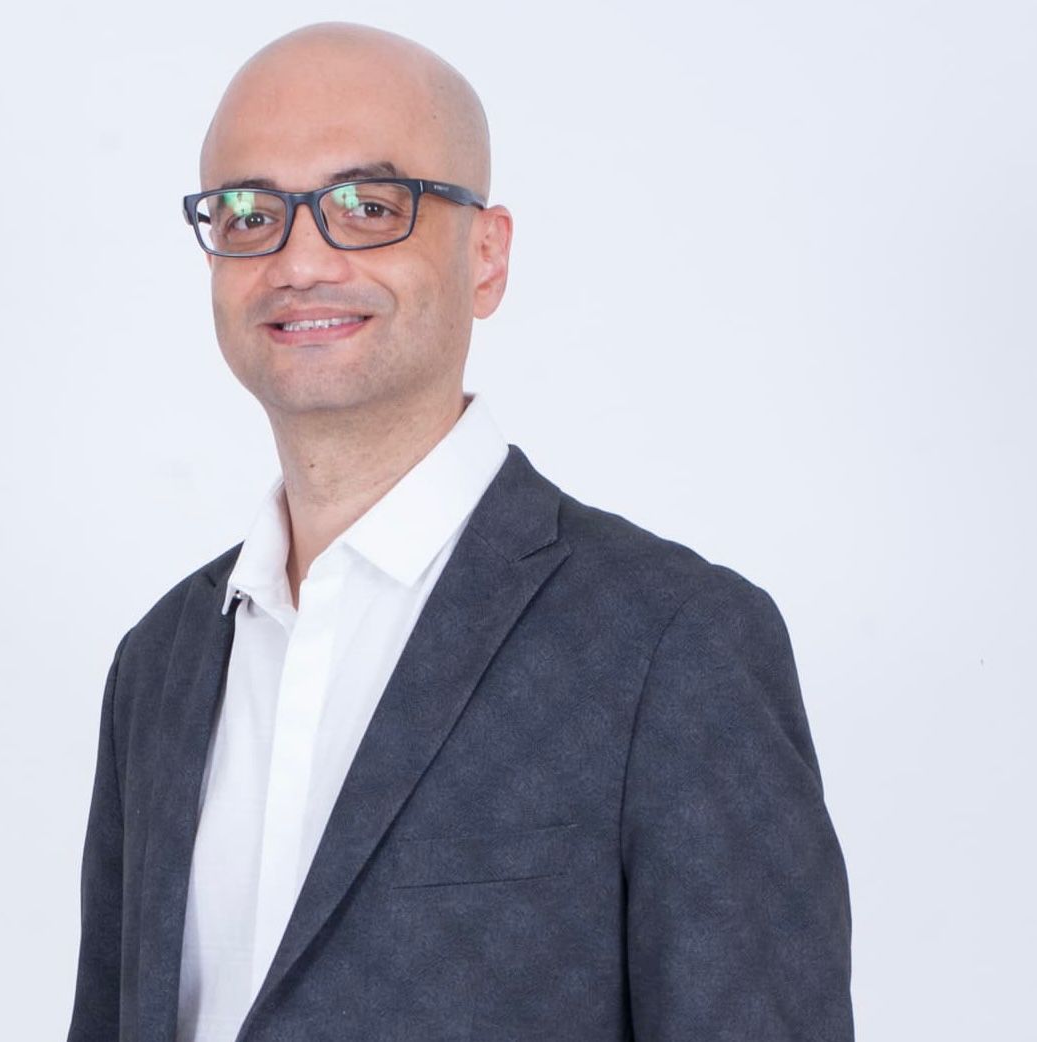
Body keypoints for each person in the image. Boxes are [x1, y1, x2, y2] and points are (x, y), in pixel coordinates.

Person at [66, 22, 853, 1042]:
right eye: (248, 213)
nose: (298, 259)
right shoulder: (160, 663)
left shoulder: (673, 644)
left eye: (367, 205)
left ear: (485, 256)